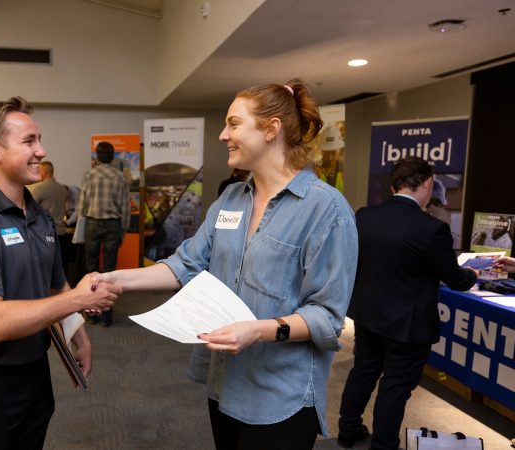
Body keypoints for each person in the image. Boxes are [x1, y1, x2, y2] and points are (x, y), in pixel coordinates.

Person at [98, 80, 359, 449]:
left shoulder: (325, 209)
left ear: (271, 130)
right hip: (224, 383)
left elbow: (327, 316)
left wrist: (257, 331)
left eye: (233, 124)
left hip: (280, 395)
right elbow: (185, 265)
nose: (223, 135)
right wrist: (111, 279)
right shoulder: (232, 199)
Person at [0, 96, 120, 449]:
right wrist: (78, 299)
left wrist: (77, 334)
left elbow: (54, 287)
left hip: (34, 374)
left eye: (39, 139)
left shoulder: (39, 215)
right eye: (29, 141)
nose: (41, 150)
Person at [337, 156, 478, 450]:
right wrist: (473, 274)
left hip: (367, 313)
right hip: (408, 324)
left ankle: (347, 429)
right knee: (396, 386)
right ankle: (384, 445)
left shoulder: (364, 216)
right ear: (427, 183)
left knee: (363, 370)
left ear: (393, 184)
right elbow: (455, 278)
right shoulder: (430, 229)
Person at [78, 141, 130, 326]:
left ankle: (91, 314)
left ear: (97, 156)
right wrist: (122, 230)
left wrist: (80, 226)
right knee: (109, 272)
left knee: (91, 269)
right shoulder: (120, 177)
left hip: (92, 222)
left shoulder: (89, 175)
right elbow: (125, 207)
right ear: (112, 156)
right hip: (113, 225)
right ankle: (106, 316)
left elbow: (82, 204)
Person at [28, 161, 72, 275]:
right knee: (61, 268)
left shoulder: (39, 189)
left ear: (44, 171)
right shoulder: (63, 189)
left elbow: (29, 209)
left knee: (47, 270)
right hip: (61, 233)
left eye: (39, 170)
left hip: (45, 234)